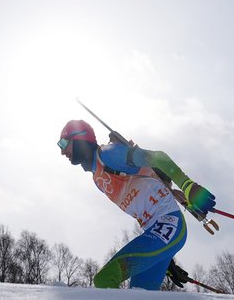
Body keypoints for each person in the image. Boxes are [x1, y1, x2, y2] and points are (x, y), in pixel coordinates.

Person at [58, 119, 216, 290]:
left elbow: (158, 158)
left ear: (81, 138)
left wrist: (187, 185)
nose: (62, 151)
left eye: (64, 142)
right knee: (140, 299)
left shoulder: (108, 154)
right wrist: (164, 259)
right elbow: (146, 193)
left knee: (105, 279)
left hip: (169, 222)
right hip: (156, 231)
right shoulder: (98, 178)